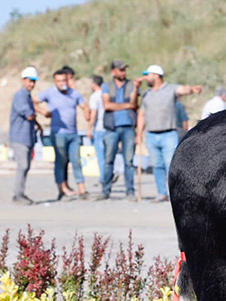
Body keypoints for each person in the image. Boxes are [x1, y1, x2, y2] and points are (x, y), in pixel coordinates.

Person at [136, 64, 203, 202]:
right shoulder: (147, 94)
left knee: (171, 165)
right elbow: (142, 114)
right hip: (151, 135)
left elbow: (183, 89)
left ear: (156, 75)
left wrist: (192, 89)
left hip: (168, 134)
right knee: (157, 166)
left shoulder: (170, 89)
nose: (145, 78)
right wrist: (139, 134)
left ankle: (177, 193)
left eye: (147, 75)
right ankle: (162, 193)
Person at [36, 67, 88, 200]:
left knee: (76, 160)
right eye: (59, 81)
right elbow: (33, 102)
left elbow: (83, 105)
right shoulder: (49, 93)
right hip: (58, 134)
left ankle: (82, 189)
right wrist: (43, 112)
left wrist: (87, 112)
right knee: (60, 161)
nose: (62, 83)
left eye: (64, 80)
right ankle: (62, 189)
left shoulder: (74, 94)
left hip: (73, 133)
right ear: (55, 81)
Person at [100, 59, 141, 200]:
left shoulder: (131, 85)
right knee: (108, 161)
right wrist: (126, 105)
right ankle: (105, 190)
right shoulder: (106, 85)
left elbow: (134, 104)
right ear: (114, 71)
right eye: (120, 69)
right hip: (112, 128)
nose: (123, 72)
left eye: (124, 69)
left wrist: (135, 89)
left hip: (128, 127)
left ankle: (130, 191)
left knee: (129, 161)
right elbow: (107, 106)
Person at [10, 66, 40, 205]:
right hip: (20, 137)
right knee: (23, 165)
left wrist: (37, 123)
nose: (32, 84)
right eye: (29, 81)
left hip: (27, 136)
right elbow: (28, 114)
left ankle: (20, 193)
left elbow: (31, 116)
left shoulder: (27, 95)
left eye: (33, 81)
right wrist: (37, 114)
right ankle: (17, 195)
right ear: (23, 80)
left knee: (26, 166)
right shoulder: (21, 95)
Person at [87, 75, 107, 185]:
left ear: (94, 84)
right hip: (108, 128)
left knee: (101, 156)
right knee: (107, 156)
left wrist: (89, 128)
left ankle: (103, 179)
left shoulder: (94, 96)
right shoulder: (106, 94)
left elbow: (94, 114)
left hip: (99, 128)